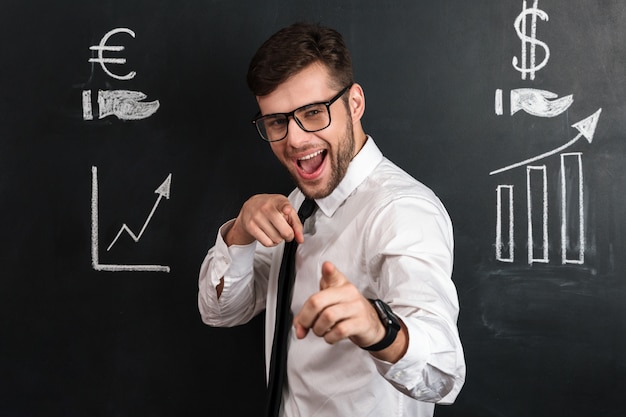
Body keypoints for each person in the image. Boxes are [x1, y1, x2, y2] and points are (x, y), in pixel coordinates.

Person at [198, 22, 465, 416]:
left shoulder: (402, 211)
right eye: (277, 122)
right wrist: (240, 233)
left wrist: (379, 328)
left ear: (354, 103)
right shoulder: (297, 202)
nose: (295, 139)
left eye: (312, 112)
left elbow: (444, 374)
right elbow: (221, 312)